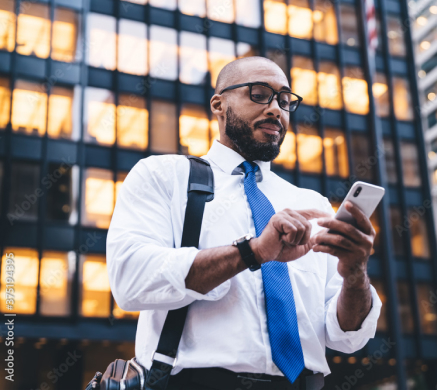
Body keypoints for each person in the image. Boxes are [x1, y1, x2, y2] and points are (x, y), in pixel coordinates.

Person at [107, 56, 383, 390]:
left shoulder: (312, 204)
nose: (276, 110)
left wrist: (355, 274)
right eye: (259, 93)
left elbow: (345, 336)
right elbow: (130, 278)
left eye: (284, 100)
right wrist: (252, 252)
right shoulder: (164, 176)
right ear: (218, 104)